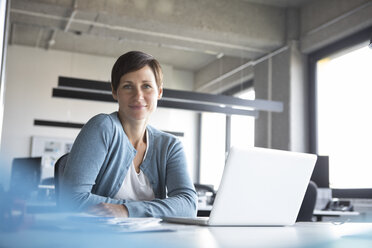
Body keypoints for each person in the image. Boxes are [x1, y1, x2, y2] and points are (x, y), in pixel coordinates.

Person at [60, 51, 197, 218]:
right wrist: (154, 209)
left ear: (159, 92)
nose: (138, 96)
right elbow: (72, 199)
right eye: (127, 86)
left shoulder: (170, 146)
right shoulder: (102, 128)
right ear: (114, 92)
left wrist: (125, 210)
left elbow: (189, 205)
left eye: (146, 86)